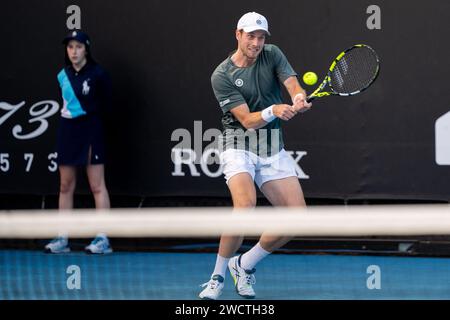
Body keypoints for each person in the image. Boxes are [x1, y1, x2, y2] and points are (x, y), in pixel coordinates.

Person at [199, 12, 312, 299]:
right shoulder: (222, 75)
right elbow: (247, 121)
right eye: (251, 36)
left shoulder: (272, 54)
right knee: (245, 205)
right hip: (238, 144)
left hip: (272, 146)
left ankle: (244, 264)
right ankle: (217, 277)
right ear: (238, 34)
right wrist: (273, 110)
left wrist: (298, 96)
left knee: (297, 218)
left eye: (261, 37)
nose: (257, 42)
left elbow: (292, 83)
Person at [45, 30, 113, 254]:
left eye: (78, 47)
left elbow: (107, 104)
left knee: (96, 185)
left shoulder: (98, 74)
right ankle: (62, 238)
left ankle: (102, 238)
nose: (74, 51)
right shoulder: (61, 75)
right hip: (68, 131)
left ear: (86, 49)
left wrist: (93, 124)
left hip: (91, 131)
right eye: (70, 47)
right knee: (65, 185)